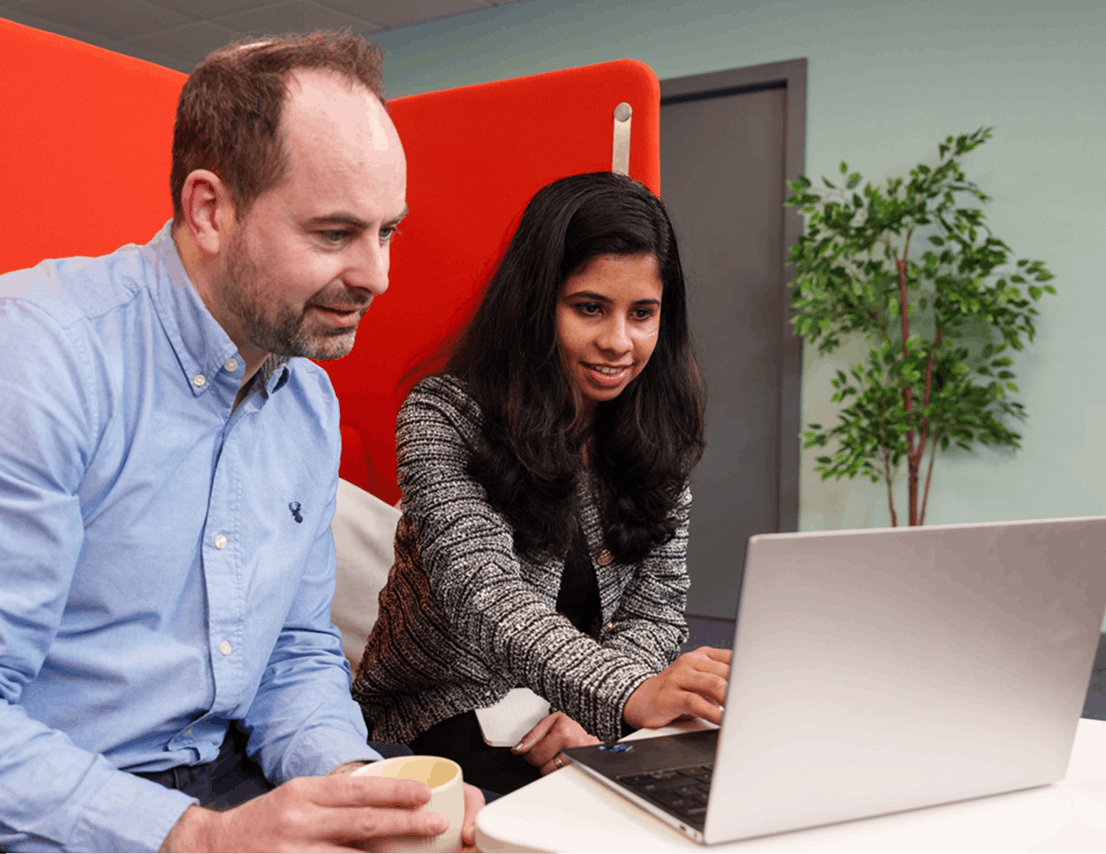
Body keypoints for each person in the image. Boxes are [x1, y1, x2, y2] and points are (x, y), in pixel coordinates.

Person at [0, 31, 481, 853]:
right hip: (70, 803)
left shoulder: (307, 403)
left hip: (220, 780)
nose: (378, 277)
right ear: (209, 209)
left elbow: (293, 654)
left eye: (387, 231)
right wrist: (199, 838)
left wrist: (351, 785)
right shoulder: (42, 360)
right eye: (334, 234)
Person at [351, 171, 732, 794]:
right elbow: (484, 597)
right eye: (589, 308)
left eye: (643, 314)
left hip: (582, 697)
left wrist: (597, 707)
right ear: (535, 304)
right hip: (451, 697)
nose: (618, 342)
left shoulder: (651, 427)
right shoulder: (443, 414)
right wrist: (628, 694)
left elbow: (657, 611)